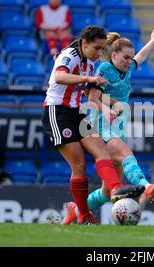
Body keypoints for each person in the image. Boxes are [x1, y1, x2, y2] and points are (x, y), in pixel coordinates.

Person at [61, 27, 154, 224]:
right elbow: (92, 98)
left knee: (107, 191)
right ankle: (147, 186)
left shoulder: (128, 69)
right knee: (127, 154)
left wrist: (153, 40)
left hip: (117, 127)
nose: (129, 61)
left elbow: (141, 57)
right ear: (114, 54)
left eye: (130, 58)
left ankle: (74, 210)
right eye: (126, 57)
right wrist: (106, 108)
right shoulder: (104, 70)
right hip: (100, 124)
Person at [41, 25, 145, 225]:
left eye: (101, 49)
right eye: (97, 48)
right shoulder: (70, 55)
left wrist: (111, 105)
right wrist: (88, 78)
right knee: (79, 164)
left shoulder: (89, 61)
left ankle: (115, 189)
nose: (99, 53)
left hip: (76, 111)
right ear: (84, 43)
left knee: (102, 151)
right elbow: (59, 77)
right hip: (57, 112)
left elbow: (90, 93)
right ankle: (84, 215)